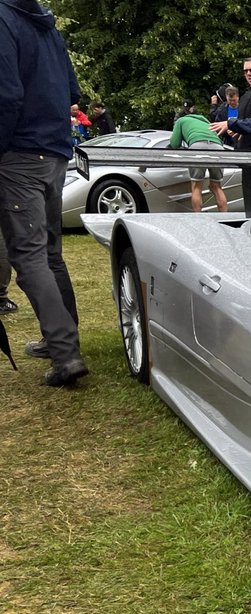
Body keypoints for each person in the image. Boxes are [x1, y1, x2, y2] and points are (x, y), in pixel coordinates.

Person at [0, 0, 88, 385]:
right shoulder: (48, 26)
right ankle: (62, 343)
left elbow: (6, 95)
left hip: (19, 153)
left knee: (30, 255)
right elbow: (72, 89)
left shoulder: (4, 18)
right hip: (54, 152)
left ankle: (65, 353)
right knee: (50, 255)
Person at [212, 57, 251, 213]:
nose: (249, 74)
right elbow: (246, 123)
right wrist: (236, 130)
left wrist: (232, 124)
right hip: (245, 156)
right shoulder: (244, 97)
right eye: (245, 71)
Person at [168, 103, 230, 213]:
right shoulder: (206, 122)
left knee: (197, 187)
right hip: (218, 148)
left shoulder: (181, 121)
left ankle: (199, 218)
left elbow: (175, 143)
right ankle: (224, 218)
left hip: (197, 147)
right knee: (217, 186)